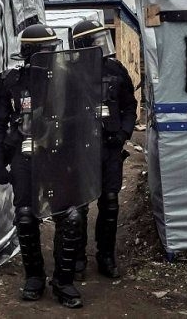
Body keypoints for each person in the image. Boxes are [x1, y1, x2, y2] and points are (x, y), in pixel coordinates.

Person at [0, 24, 85, 308]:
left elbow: (84, 117)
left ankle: (64, 281)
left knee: (70, 216)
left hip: (59, 155)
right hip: (25, 154)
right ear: (30, 53)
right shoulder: (11, 82)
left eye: (53, 49)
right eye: (46, 51)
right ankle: (34, 277)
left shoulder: (68, 79)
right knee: (26, 217)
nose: (52, 55)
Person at [71, 20, 137, 280]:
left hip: (110, 147)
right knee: (79, 207)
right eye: (96, 41)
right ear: (83, 45)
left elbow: (129, 106)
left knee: (109, 203)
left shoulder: (115, 70)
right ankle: (77, 258)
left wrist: (123, 133)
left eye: (102, 39)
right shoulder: (69, 73)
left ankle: (106, 256)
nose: (102, 45)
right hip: (81, 150)